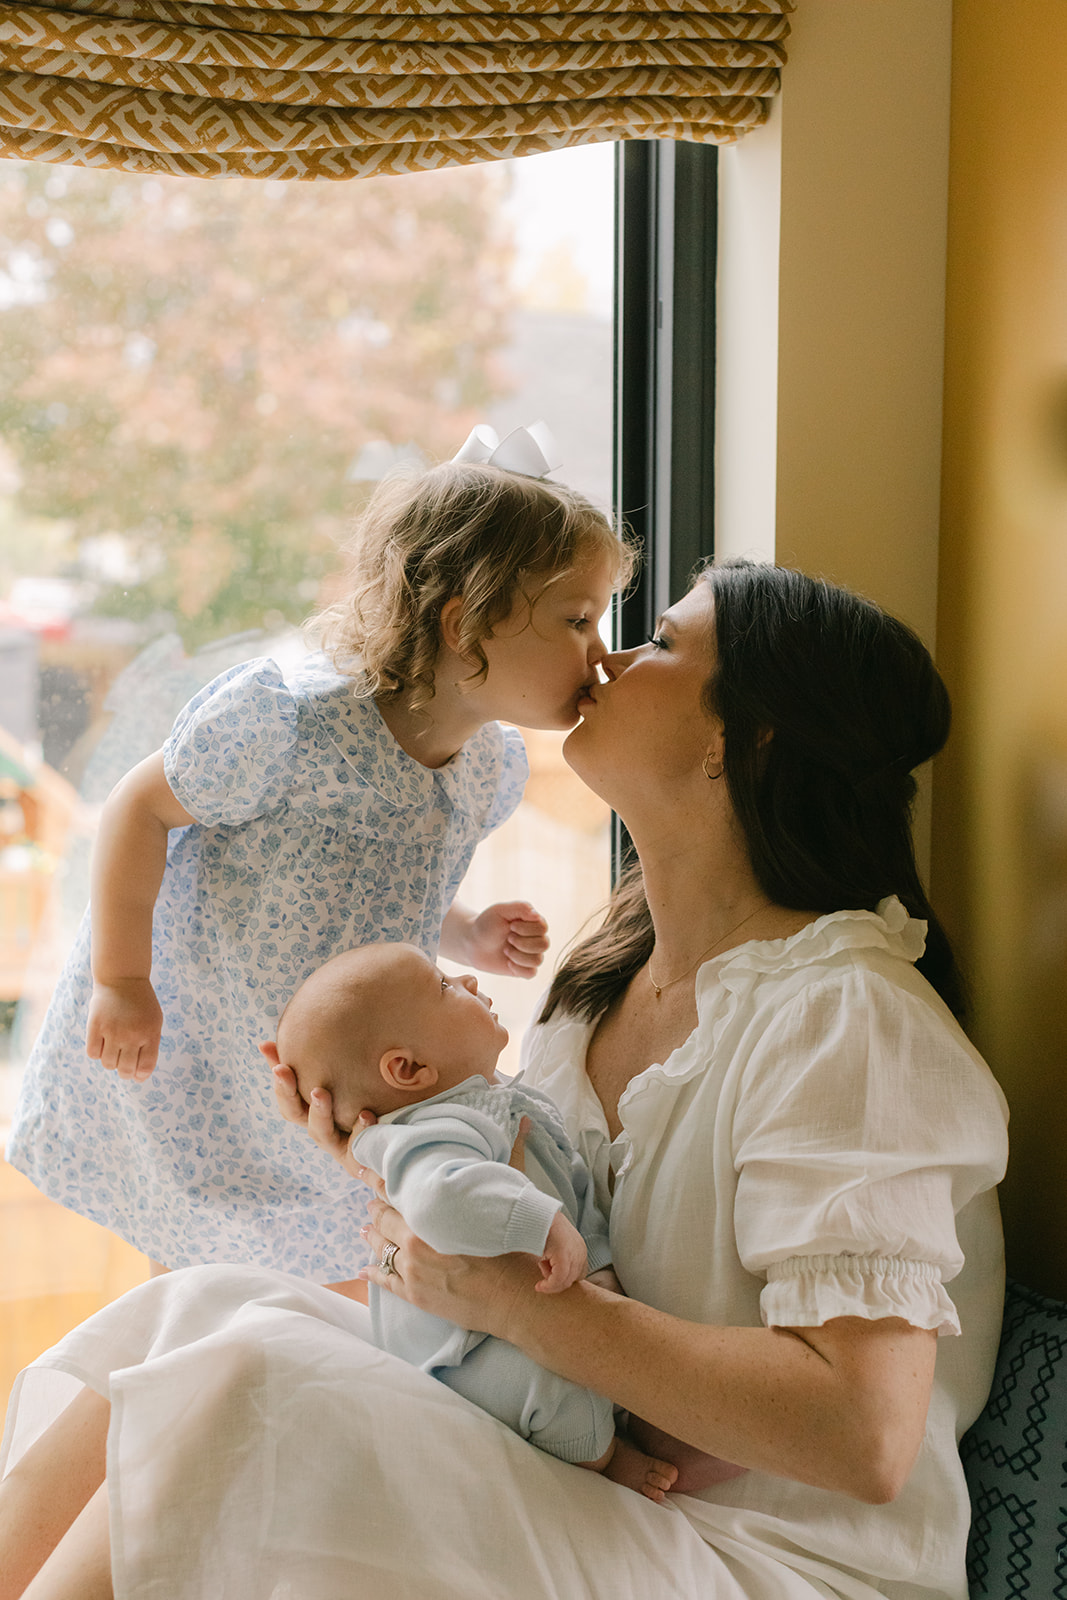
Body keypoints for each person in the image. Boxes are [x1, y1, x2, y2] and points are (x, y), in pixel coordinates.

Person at [0, 559, 1009, 1600]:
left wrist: (528, 1310)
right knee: (200, 1311)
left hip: (768, 1561)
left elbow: (863, 1435)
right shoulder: (601, 987)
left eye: (659, 643)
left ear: (738, 740)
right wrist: (391, 1150)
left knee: (252, 1383)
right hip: (605, 1479)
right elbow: (516, 1244)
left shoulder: (846, 1016)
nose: (605, 659)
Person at [5, 425, 632, 1287]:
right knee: (189, 1262)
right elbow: (138, 810)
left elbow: (384, 895)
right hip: (201, 1043)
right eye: (576, 621)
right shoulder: (290, 724)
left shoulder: (484, 765)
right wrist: (123, 980)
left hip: (326, 1060)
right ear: (464, 625)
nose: (599, 652)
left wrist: (468, 934)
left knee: (315, 1256)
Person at [263, 938, 681, 1499]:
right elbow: (443, 1202)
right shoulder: (434, 1131)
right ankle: (603, 1461)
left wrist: (600, 1265)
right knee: (555, 1391)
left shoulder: (494, 1104)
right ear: (408, 1068)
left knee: (576, 1373)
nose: (468, 982)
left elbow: (578, 1196)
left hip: (498, 1328)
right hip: (464, 1358)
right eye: (443, 986)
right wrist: (542, 1222)